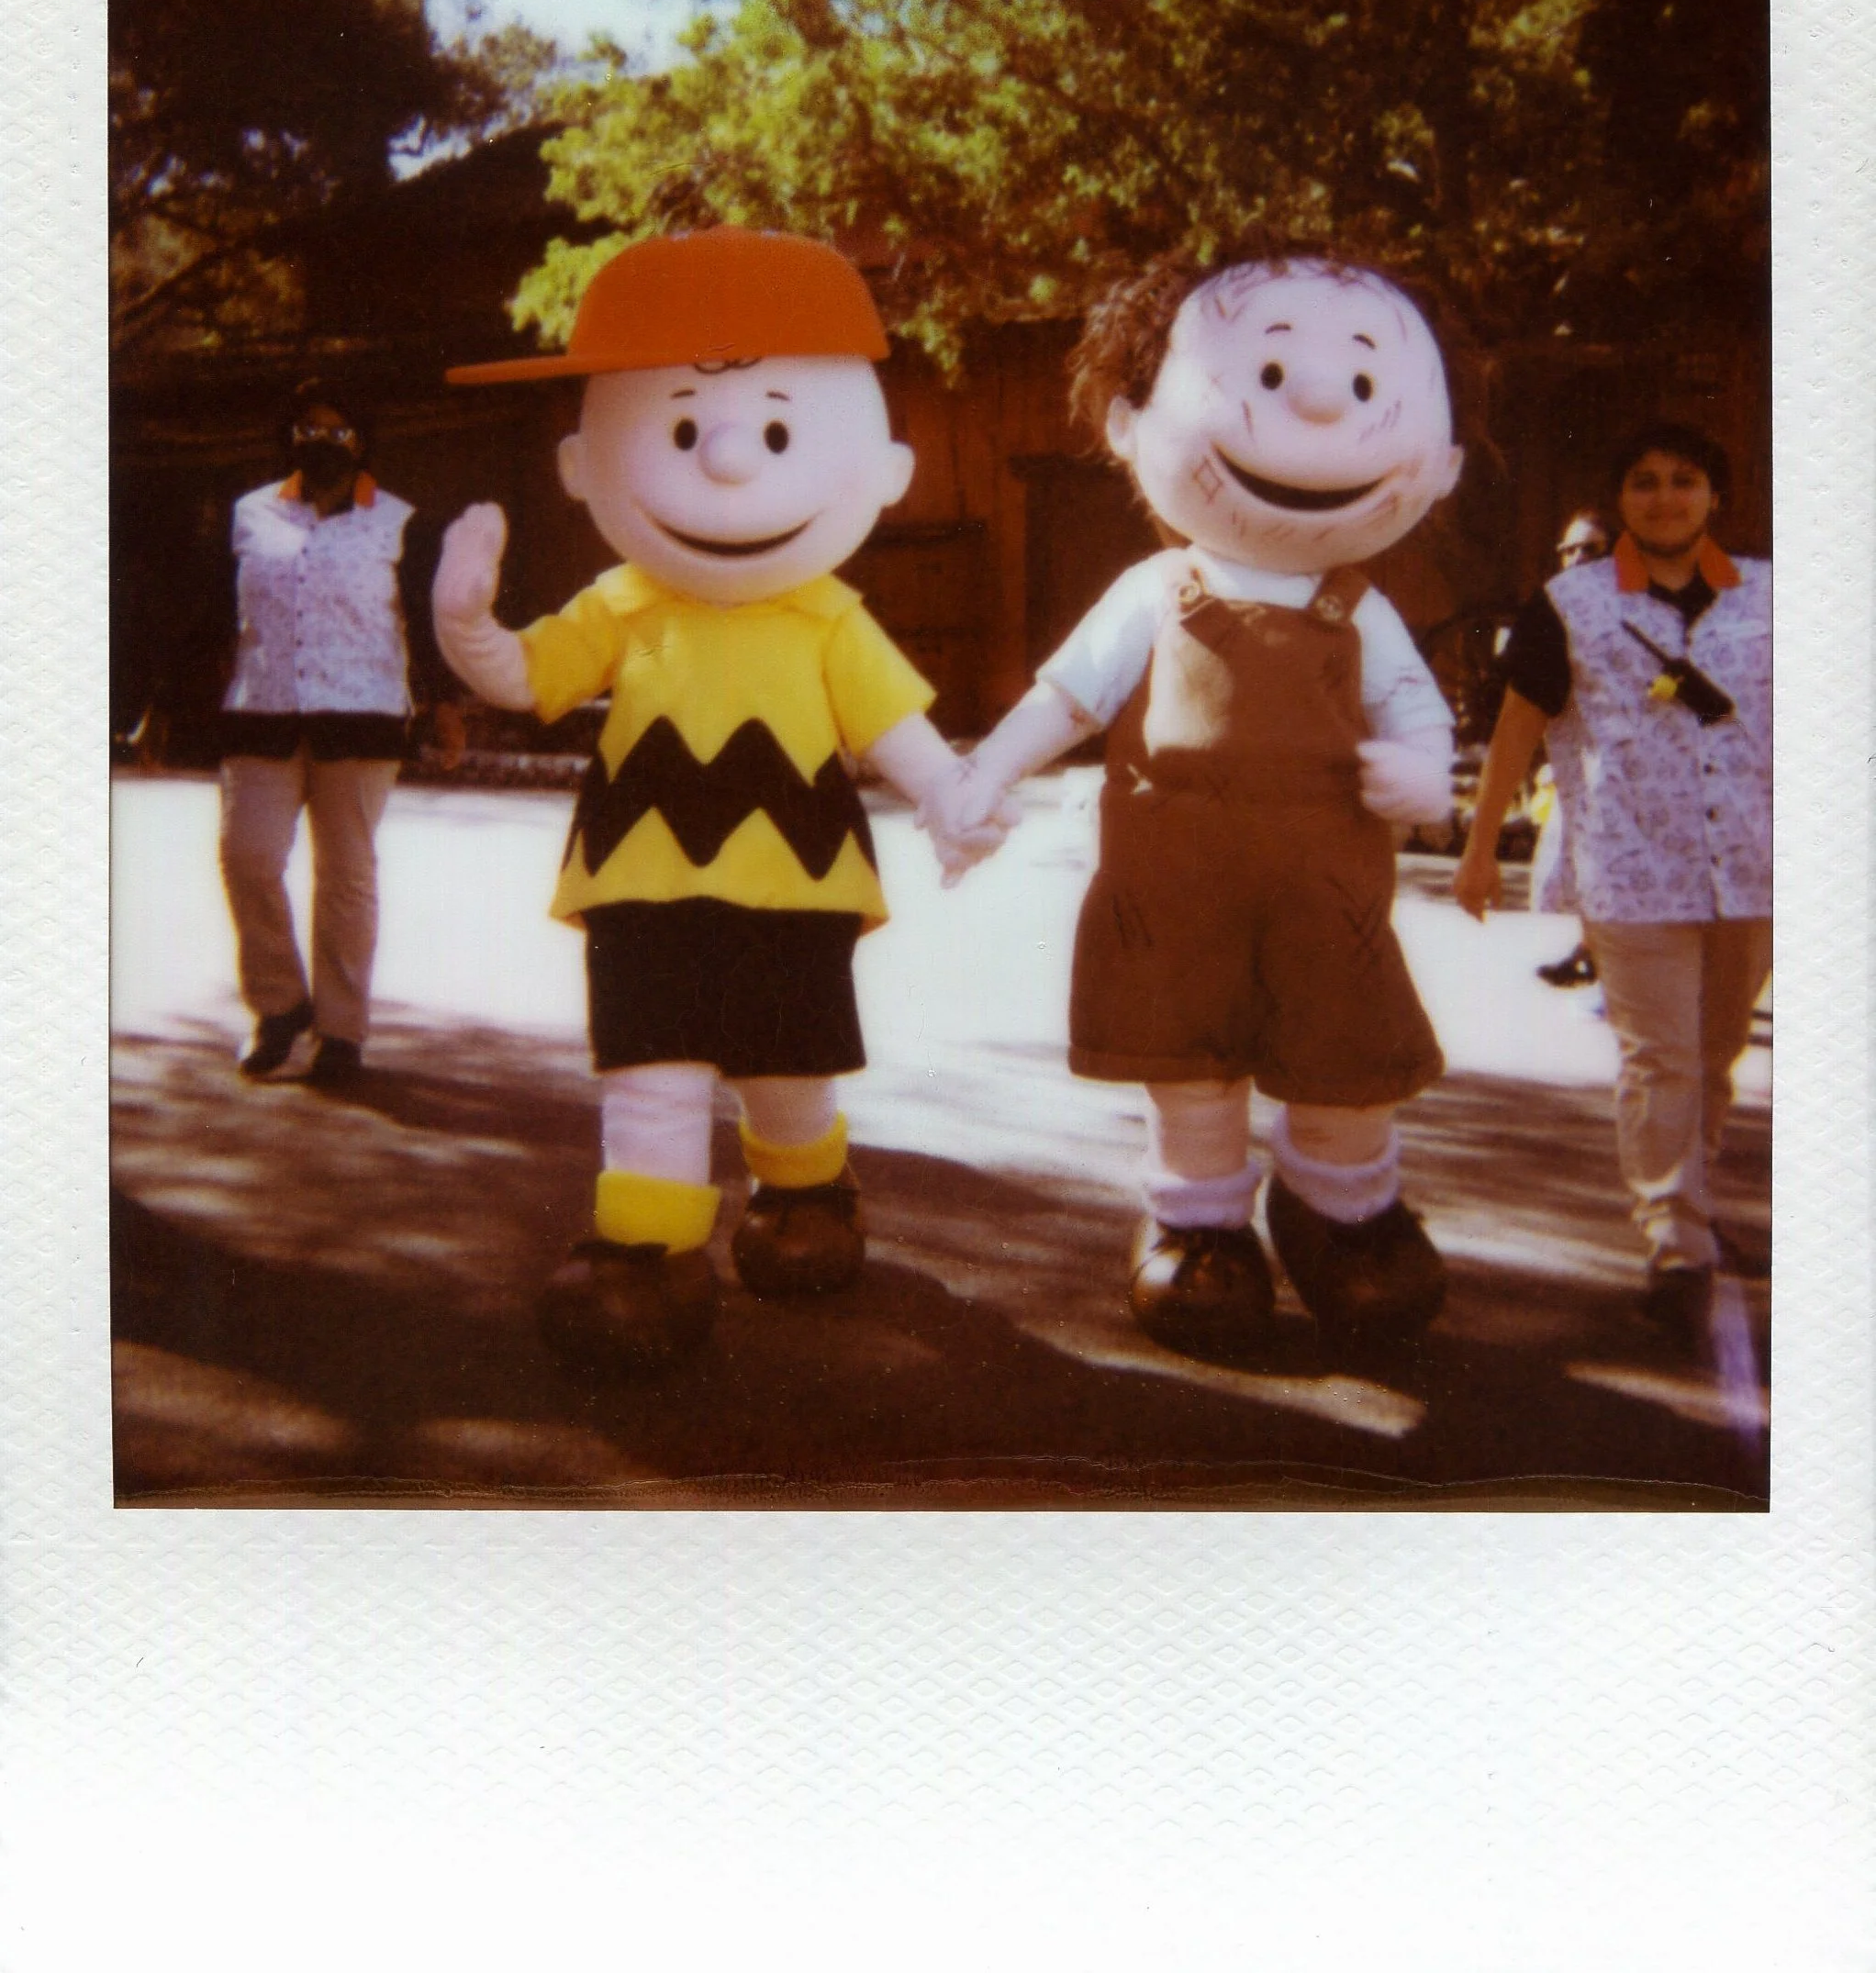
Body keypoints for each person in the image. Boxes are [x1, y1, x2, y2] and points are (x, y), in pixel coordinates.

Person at [432, 228, 983, 1373]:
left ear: (882, 473)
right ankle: (642, 1244)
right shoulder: (622, 602)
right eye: (683, 428)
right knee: (652, 1060)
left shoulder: (828, 615)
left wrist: (949, 797)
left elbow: (893, 729)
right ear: (585, 467)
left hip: (796, 879)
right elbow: (529, 677)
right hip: (641, 878)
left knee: (787, 1068)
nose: (730, 462)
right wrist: (463, 623)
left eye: (777, 430)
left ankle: (803, 1185)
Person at [925, 251, 1462, 1363]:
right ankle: (1198, 1223)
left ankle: (1341, 1209)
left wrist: (1423, 767)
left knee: (1343, 1055)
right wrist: (983, 774)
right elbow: (1066, 698)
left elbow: (1414, 706)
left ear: (1442, 461)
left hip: (1330, 894)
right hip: (1169, 893)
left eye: (1363, 387)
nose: (1317, 402)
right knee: (1190, 1067)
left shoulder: (1357, 606)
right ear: (1127, 424)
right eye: (1269, 374)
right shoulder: (1152, 593)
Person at [1453, 425, 1770, 1341]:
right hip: (1632, 870)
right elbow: (1518, 728)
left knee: (1711, 1060)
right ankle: (1675, 1243)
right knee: (1659, 1060)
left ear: (1714, 496)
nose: (1664, 498)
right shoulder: (1571, 602)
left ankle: (1692, 1205)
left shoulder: (1773, 595)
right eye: (1643, 482)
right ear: (1619, 499)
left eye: (1684, 481)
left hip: (1752, 866)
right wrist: (1479, 849)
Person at [217, 379, 463, 1087]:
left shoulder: (398, 522)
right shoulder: (250, 514)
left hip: (362, 716)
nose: (320, 443)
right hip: (261, 710)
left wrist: (444, 704)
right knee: (247, 856)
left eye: (336, 431)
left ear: (361, 442)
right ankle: (281, 1003)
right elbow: (214, 613)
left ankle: (342, 1032)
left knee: (346, 876)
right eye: (307, 429)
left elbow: (425, 619)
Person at [1528, 506, 1611, 986]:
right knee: (1566, 861)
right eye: (1569, 549)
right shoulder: (1557, 610)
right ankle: (1588, 948)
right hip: (1574, 758)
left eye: (1591, 547)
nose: (1578, 557)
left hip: (1622, 764)